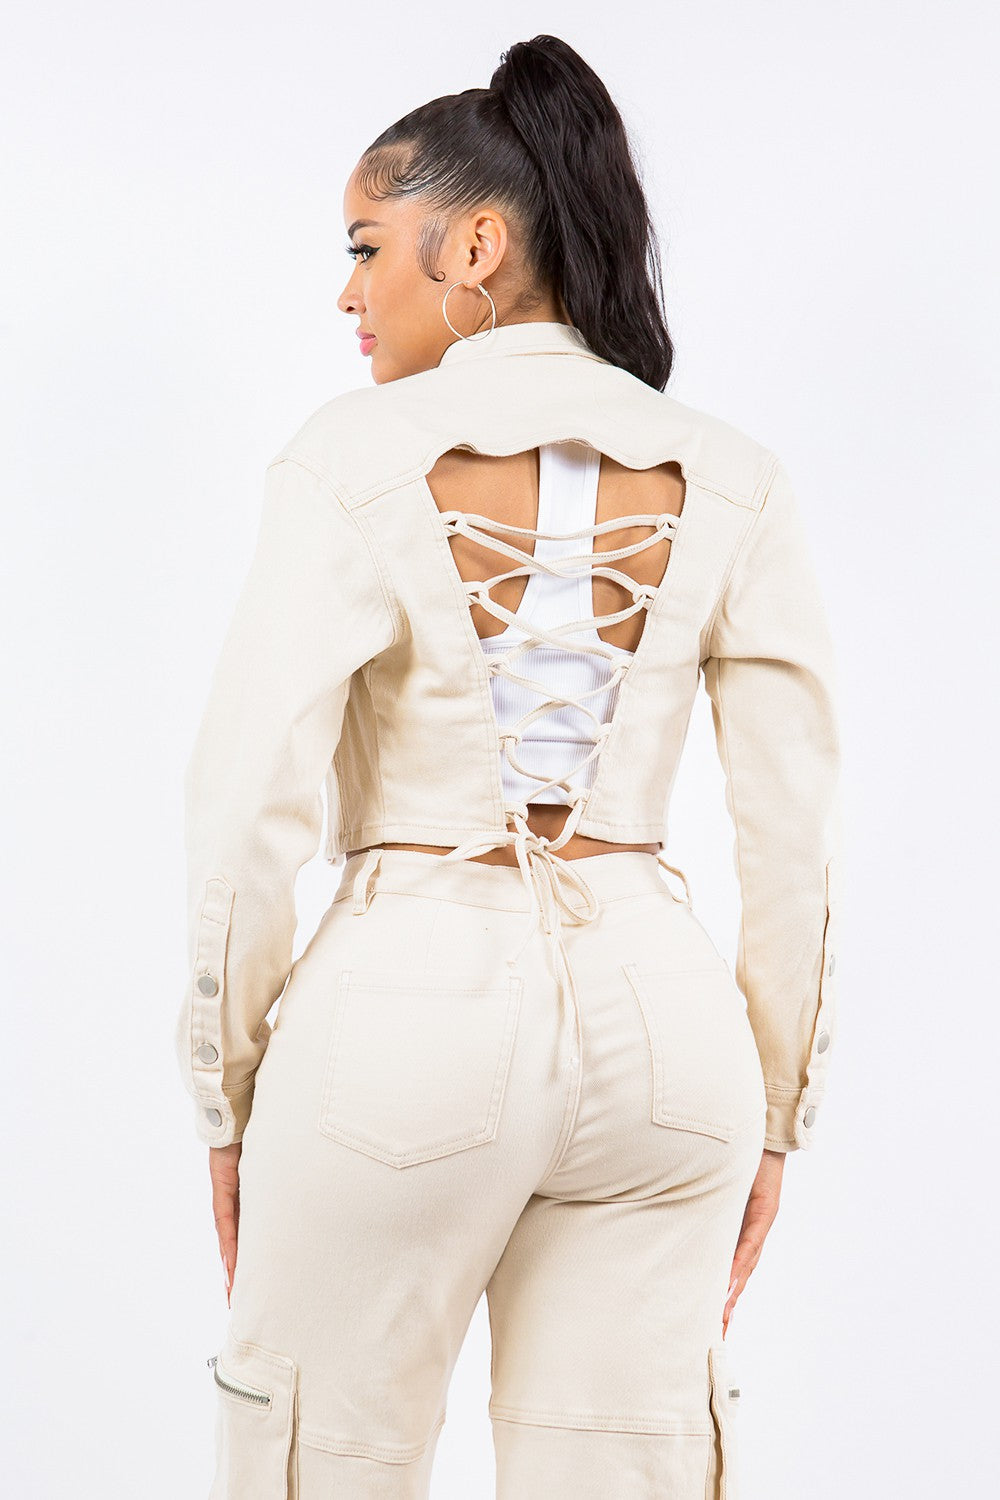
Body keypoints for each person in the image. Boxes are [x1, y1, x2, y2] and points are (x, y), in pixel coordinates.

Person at [176, 33, 842, 1500]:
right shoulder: (732, 475)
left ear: (473, 247)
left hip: (398, 1029)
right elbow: (793, 832)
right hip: (670, 1039)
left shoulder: (351, 457)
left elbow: (246, 809)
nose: (349, 293)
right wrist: (777, 1111)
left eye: (368, 247)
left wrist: (224, 1094)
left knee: (319, 1465)